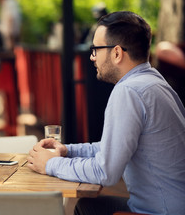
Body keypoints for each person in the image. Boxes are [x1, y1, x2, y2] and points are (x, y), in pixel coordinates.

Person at [27, 11, 185, 215]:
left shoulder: (128, 91)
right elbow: (115, 148)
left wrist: (51, 164)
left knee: (87, 208)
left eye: (96, 49)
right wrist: (67, 150)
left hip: (160, 211)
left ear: (117, 53)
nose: (92, 57)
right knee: (88, 206)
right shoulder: (155, 82)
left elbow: (105, 172)